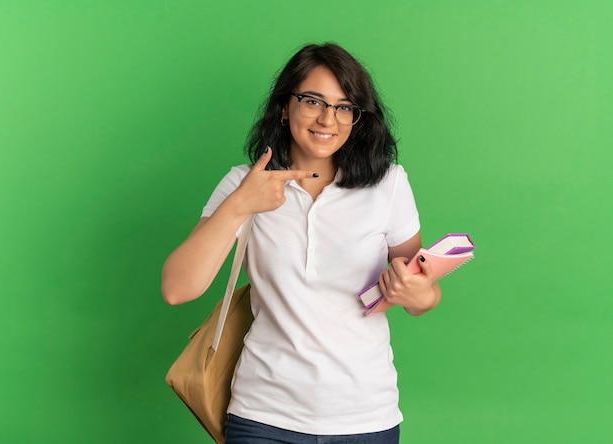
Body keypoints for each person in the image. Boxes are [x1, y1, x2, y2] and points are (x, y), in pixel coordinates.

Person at [161, 42, 441, 443]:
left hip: (365, 417)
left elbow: (423, 295)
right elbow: (177, 289)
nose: (329, 119)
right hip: (262, 415)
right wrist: (241, 203)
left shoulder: (388, 184)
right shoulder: (244, 183)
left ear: (358, 118)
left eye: (345, 107)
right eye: (313, 101)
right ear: (284, 106)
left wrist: (415, 293)